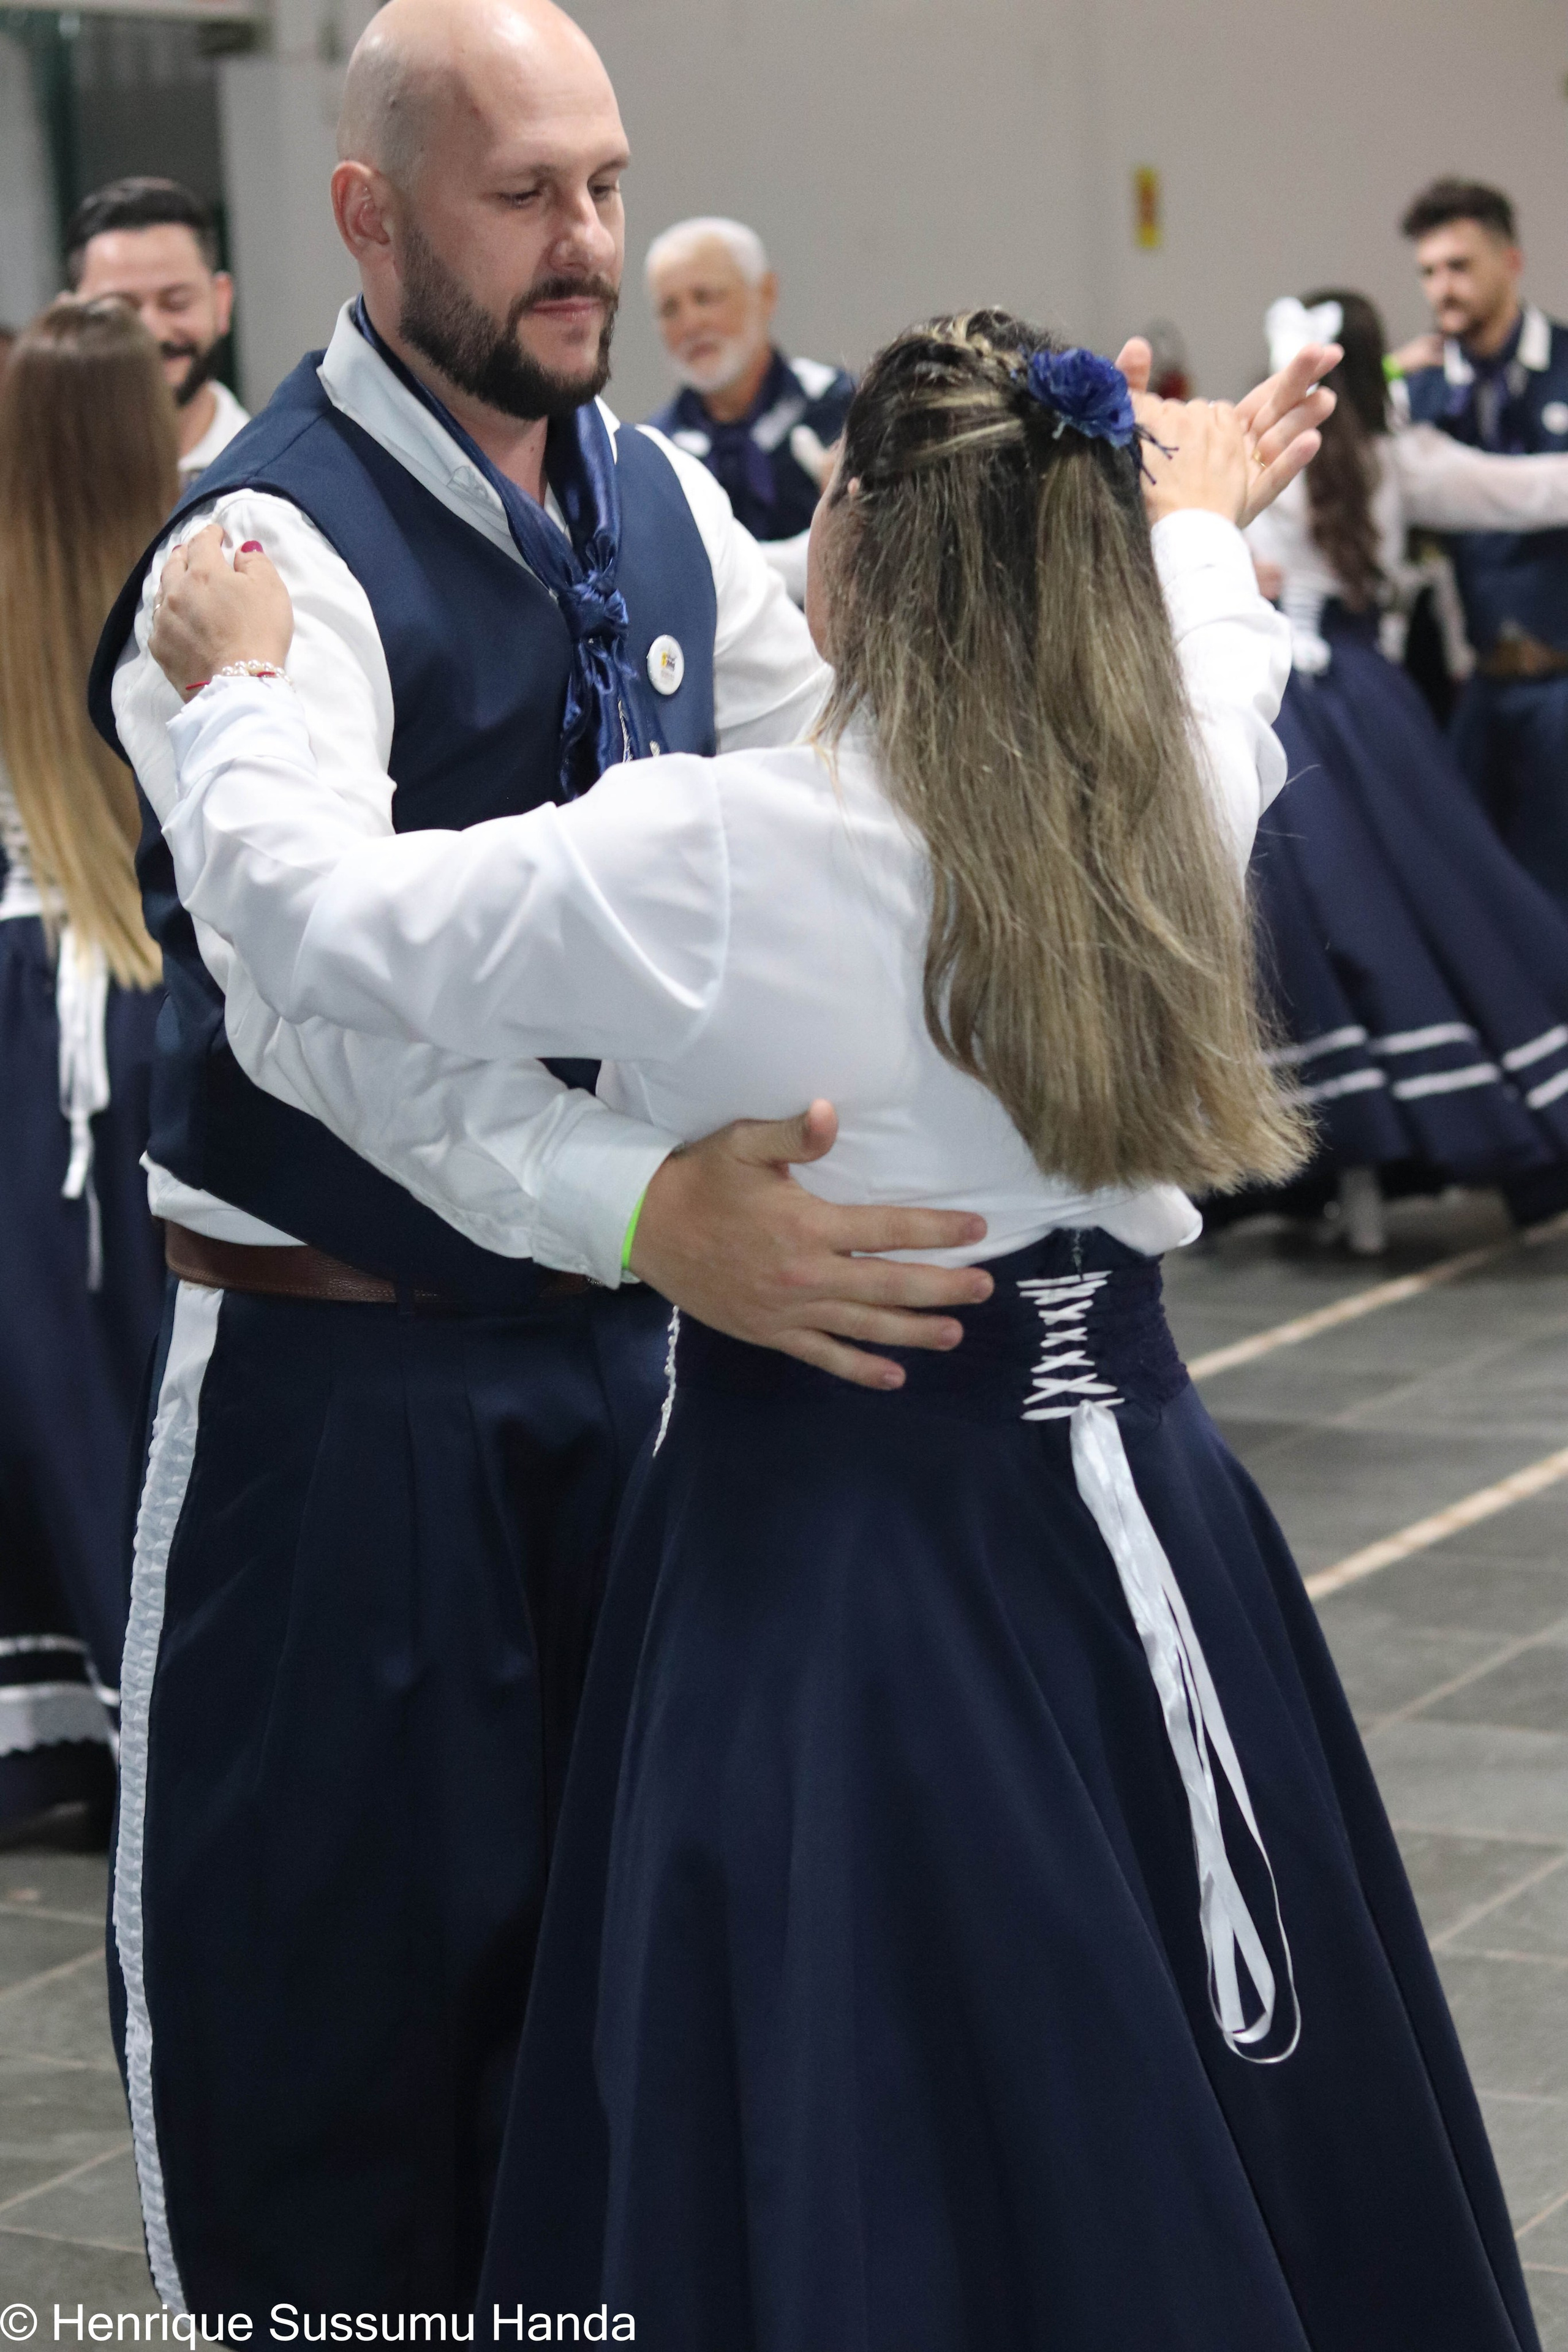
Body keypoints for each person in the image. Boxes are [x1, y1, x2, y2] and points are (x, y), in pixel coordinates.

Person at [146, 314, 1537, 2352]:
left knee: (855, 2102)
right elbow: (1222, 649)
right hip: (1154, 1521)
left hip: (846, 1565)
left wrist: (247, 696)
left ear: (858, 540)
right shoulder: (1167, 779)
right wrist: (1205, 520)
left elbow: (311, 920)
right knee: (1167, 2071)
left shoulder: (735, 860)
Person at [86, 0, 1017, 2315]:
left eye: (603, 183)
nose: (586, 242)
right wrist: (641, 1205)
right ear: (366, 213)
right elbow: (315, 1027)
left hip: (629, 1377)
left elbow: (830, 807)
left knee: (624, 1998)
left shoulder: (653, 495)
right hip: (343, 1403)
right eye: (524, 196)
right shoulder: (260, 560)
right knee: (328, 2039)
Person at [1244, 290, 1568, 1251]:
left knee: (1307, 934)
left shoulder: (1260, 450)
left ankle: (1347, 1191)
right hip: (1371, 701)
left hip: (1280, 702)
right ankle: (1370, 1192)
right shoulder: (1400, 456)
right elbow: (1528, 489)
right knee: (1427, 910)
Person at [0, 299, 173, 1831]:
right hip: (148, 999)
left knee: (40, 1370)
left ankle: (46, 1730)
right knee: (148, 1366)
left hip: (23, 1018)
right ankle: (164, 1690)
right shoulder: (210, 574)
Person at [1394, 179, 1568, 908]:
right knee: (1478, 893)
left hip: (1563, 677)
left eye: (1459, 267)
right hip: (1480, 686)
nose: (1442, 289)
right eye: (1428, 272)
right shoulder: (1417, 389)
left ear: (1511, 261)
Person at [645, 216, 853, 601]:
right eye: (670, 309)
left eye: (706, 297)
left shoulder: (843, 409)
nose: (690, 323)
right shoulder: (653, 453)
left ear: (767, 293)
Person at [67, 177, 248, 485]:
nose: (152, 333)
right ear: (68, 319)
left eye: (176, 303)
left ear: (221, 301)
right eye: (119, 309)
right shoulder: (32, 484)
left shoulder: (282, 474)